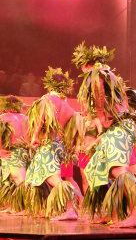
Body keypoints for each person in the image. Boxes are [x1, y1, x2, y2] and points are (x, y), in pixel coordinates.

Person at [72, 42, 136, 228]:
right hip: (121, 126)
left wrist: (101, 119)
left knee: (118, 170)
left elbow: (99, 96)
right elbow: (121, 101)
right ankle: (112, 212)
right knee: (96, 169)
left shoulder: (97, 75)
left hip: (119, 127)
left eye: (83, 67)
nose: (83, 71)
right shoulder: (110, 76)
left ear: (88, 64)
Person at [25, 67, 82, 220]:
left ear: (50, 85)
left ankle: (70, 209)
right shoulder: (67, 106)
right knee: (40, 177)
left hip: (48, 144)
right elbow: (73, 127)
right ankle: (49, 209)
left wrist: (35, 136)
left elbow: (41, 117)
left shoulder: (47, 100)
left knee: (53, 178)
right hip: (59, 145)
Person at [0, 95, 30, 214]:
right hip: (25, 150)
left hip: (13, 151)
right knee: (13, 179)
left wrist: (0, 150)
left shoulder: (3, 117)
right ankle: (14, 205)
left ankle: (28, 207)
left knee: (20, 179)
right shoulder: (25, 117)